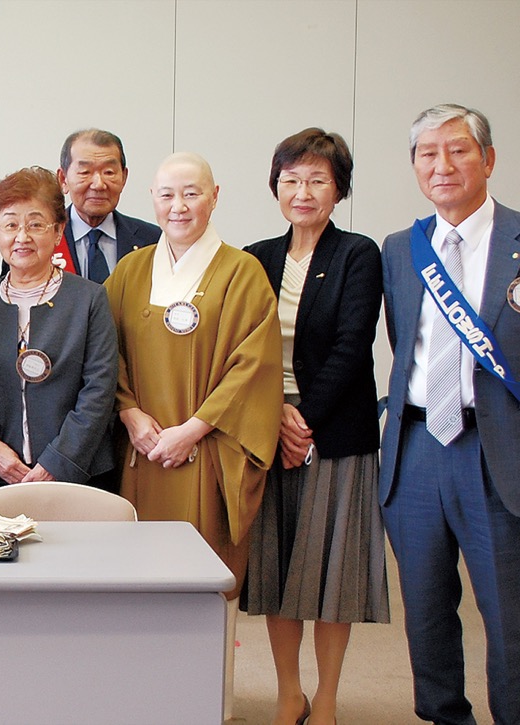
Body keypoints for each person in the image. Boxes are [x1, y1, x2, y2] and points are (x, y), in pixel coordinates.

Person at [105, 152, 280, 720]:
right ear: (151, 200)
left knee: (203, 577)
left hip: (206, 453)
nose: (178, 206)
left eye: (191, 193)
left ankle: (210, 701)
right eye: (166, 195)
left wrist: (192, 430)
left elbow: (252, 365)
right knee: (137, 581)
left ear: (215, 195)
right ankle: (141, 699)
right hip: (144, 453)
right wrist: (131, 415)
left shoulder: (242, 272)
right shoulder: (130, 271)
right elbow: (107, 358)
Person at [243, 128, 389, 725]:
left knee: (332, 575)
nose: (303, 192)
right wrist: (275, 415)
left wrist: (303, 417)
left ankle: (326, 698)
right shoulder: (257, 257)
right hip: (266, 432)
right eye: (292, 179)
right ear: (276, 186)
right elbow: (245, 349)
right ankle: (288, 693)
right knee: (278, 574)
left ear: (338, 189)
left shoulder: (358, 253)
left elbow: (354, 346)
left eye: (318, 180)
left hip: (335, 435)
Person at [380, 103, 520, 725]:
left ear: (488, 160)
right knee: (428, 612)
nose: (443, 165)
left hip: (498, 453)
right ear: (414, 166)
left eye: (458, 150)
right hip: (416, 452)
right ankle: (443, 716)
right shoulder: (400, 248)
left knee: (509, 614)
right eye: (428, 153)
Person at [0, 167, 118, 491]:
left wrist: (57, 461)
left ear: (58, 231)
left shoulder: (89, 299)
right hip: (3, 474)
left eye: (35, 224)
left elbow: (99, 390)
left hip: (79, 475)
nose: (22, 237)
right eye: (10, 225)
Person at [54, 129, 160, 282]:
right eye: (85, 172)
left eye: (109, 172)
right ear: (63, 179)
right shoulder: (41, 241)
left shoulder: (153, 241)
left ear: (123, 178)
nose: (98, 184)